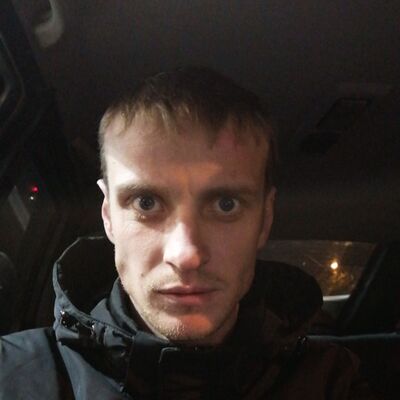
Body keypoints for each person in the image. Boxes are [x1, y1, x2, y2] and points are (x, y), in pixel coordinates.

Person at [0, 67, 375, 399]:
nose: (186, 255)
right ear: (108, 216)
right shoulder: (11, 376)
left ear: (264, 219)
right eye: (146, 202)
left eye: (225, 204)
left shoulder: (333, 383)